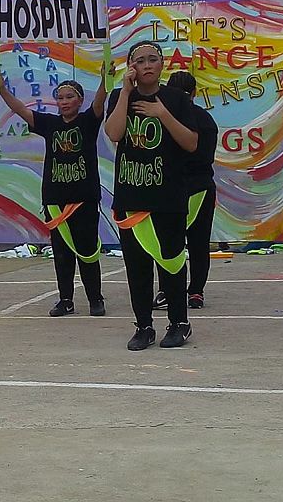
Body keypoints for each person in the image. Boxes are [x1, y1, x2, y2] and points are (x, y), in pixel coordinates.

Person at [0, 64, 108, 317]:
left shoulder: (88, 121)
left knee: (87, 251)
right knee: (62, 254)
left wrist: (103, 80)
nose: (64, 102)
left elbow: (100, 103)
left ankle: (95, 299)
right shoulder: (50, 124)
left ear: (79, 100)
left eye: (69, 97)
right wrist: (2, 90)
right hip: (55, 200)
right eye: (60, 98)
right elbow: (20, 110)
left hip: (84, 198)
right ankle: (66, 300)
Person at [105, 41, 197, 350]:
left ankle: (179, 323)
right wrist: (126, 93)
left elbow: (191, 143)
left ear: (161, 65)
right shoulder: (120, 97)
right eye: (140, 60)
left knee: (170, 262)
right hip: (131, 197)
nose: (147, 65)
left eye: (152, 60)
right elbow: (115, 133)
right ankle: (143, 325)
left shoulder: (177, 99)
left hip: (168, 196)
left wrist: (162, 114)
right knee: (137, 266)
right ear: (131, 65)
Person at [153, 71, 218, 310]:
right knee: (197, 243)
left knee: (168, 243)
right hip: (197, 187)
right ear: (195, 93)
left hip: (178, 187)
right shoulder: (205, 119)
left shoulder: (167, 118)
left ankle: (168, 290)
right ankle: (195, 292)